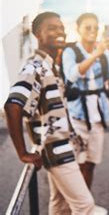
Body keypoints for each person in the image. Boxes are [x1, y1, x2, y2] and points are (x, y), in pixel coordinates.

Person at [4, 12, 95, 214]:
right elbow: (13, 105)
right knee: (85, 206)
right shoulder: (35, 66)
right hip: (56, 151)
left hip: (63, 147)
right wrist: (22, 153)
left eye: (61, 28)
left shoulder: (49, 65)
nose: (59, 32)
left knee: (59, 205)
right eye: (52, 28)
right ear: (38, 34)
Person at [61, 13, 109, 213]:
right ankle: (77, 207)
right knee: (75, 166)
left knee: (90, 163)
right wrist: (95, 54)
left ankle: (85, 207)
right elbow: (72, 74)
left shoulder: (104, 53)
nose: (92, 31)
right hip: (77, 117)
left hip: (97, 118)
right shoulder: (71, 51)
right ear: (78, 28)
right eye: (87, 27)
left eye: (95, 28)